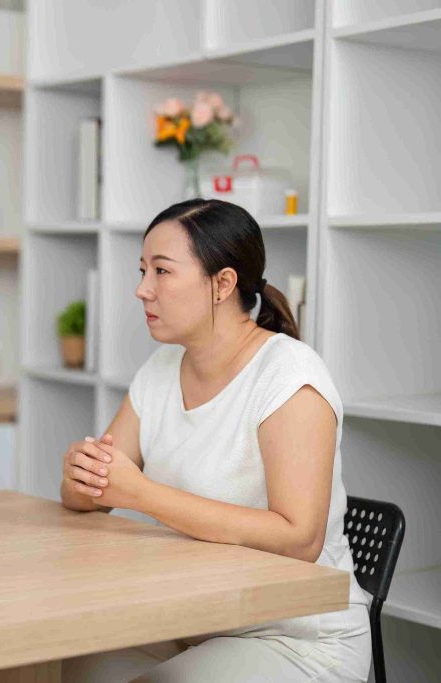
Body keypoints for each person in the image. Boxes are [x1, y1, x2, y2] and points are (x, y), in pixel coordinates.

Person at [60, 199, 370, 682]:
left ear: (222, 284)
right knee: (68, 662)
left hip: (295, 634)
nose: (142, 290)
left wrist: (138, 492)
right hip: (192, 617)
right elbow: (93, 493)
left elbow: (299, 539)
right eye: (143, 270)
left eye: (162, 271)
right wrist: (83, 477)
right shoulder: (160, 369)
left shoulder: (288, 375)